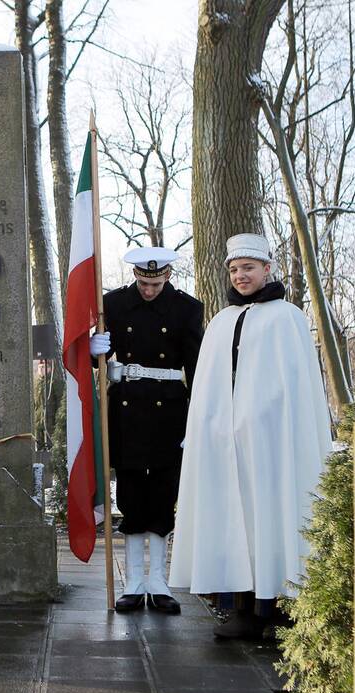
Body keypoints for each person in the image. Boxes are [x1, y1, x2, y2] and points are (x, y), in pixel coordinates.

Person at [168, 233, 333, 639]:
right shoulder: (221, 323)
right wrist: (210, 427)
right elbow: (208, 388)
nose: (240, 276)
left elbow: (293, 387)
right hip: (226, 445)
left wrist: (260, 417)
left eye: (248, 268)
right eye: (234, 269)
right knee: (232, 518)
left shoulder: (286, 317)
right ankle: (240, 606)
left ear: (266, 270)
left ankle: (278, 608)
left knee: (271, 515)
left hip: (272, 443)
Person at [90, 246, 203, 613]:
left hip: (169, 410)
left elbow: (197, 369)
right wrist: (95, 351)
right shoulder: (115, 304)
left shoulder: (187, 309)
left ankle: (160, 582)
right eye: (142, 281)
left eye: (154, 282)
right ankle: (135, 581)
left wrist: (195, 420)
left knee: (161, 497)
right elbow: (96, 358)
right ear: (135, 276)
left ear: (167, 275)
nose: (148, 289)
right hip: (127, 409)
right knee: (132, 497)